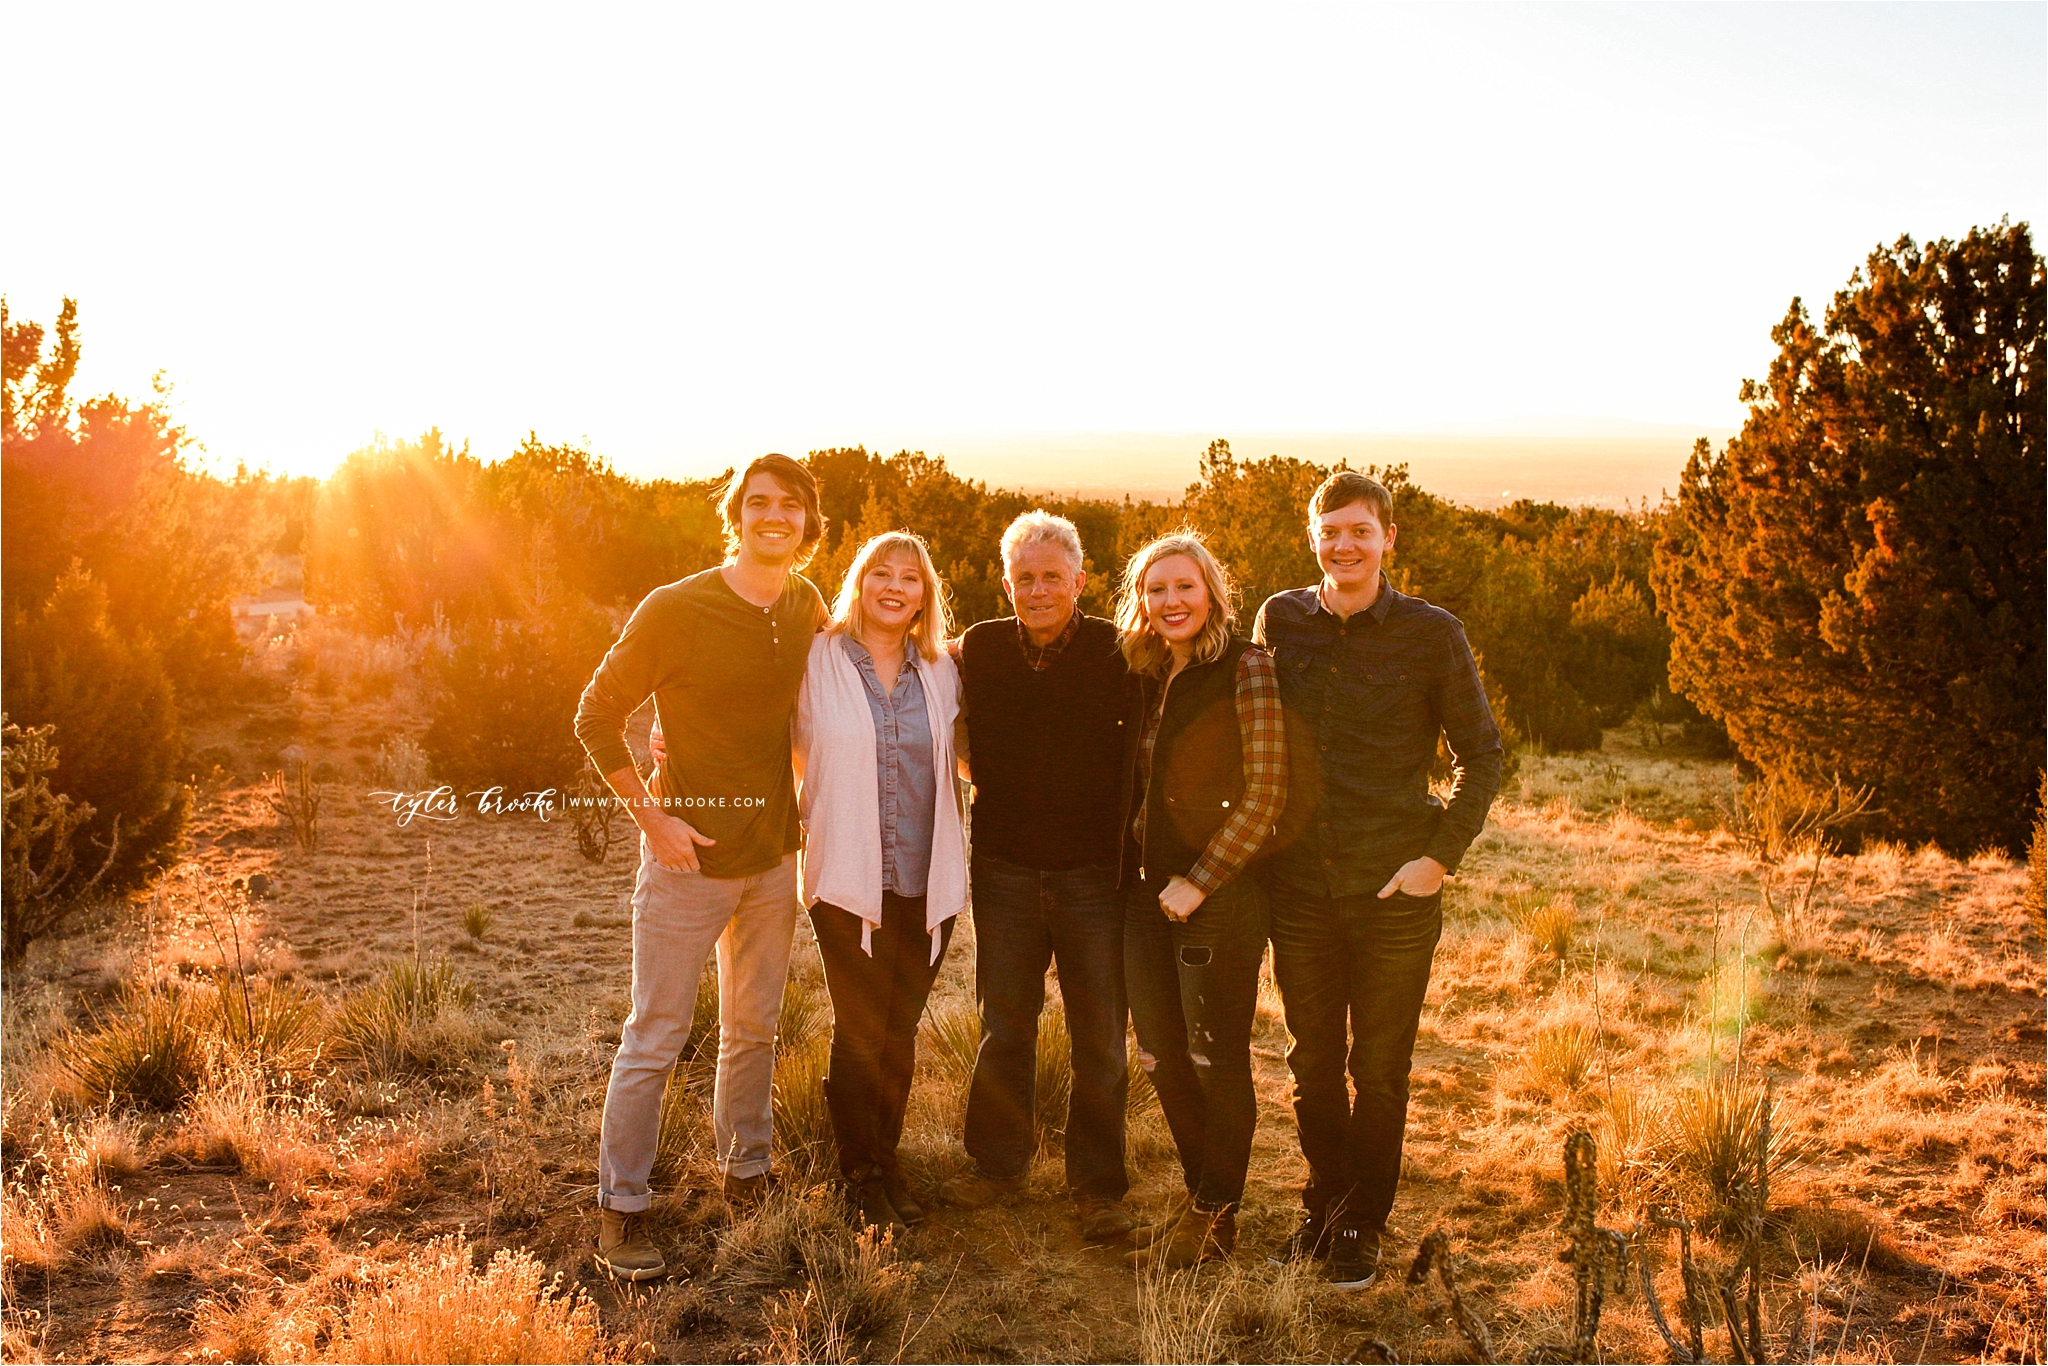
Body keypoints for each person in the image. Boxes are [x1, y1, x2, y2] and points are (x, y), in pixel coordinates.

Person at [574, 453, 828, 1281]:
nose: (773, 517)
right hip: (687, 864)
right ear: (737, 514)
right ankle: (622, 1209)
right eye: (758, 503)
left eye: (789, 506)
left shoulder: (805, 604)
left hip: (771, 863)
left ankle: (745, 1175)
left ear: (807, 523)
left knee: (754, 1031)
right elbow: (594, 715)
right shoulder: (677, 608)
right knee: (657, 1036)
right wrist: (651, 816)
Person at [1253, 470, 1502, 1289]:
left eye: (1360, 530)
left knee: (1381, 1067)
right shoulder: (1281, 621)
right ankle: (1322, 1209)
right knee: (1311, 1061)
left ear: (1388, 538)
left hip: (1395, 888)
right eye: (1330, 531)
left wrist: (1437, 860)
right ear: (1312, 540)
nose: (1344, 545)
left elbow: (1483, 755)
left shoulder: (1433, 634)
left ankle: (1362, 1222)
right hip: (1298, 887)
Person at [943, 510, 1137, 1243]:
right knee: (1005, 1025)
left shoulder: (1119, 652)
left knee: (1098, 1037)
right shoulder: (983, 648)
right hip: (1004, 870)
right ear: (1006, 583)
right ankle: (997, 1167)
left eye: (1052, 576)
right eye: (1024, 577)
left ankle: (1098, 1188)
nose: (1038, 588)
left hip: (1093, 875)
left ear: (1081, 581)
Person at [1113, 532, 1287, 1270]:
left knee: (1215, 1058)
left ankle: (1219, 1215)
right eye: (1156, 591)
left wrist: (1203, 878)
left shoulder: (1246, 668)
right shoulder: (1147, 674)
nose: (1170, 602)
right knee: (1158, 1053)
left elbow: (1268, 792)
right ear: (1141, 603)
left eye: (1184, 587)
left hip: (1217, 896)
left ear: (1212, 592)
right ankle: (1201, 1193)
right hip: (1142, 893)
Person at [792, 531, 967, 1235]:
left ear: (926, 594)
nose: (895, 587)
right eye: (881, 574)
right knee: (861, 1031)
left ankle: (885, 1157)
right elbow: (753, 724)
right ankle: (857, 1172)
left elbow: (974, 759)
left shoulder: (942, 672)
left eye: (911, 578)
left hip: (928, 882)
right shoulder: (814, 660)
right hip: (847, 879)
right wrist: (667, 747)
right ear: (858, 583)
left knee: (900, 1031)